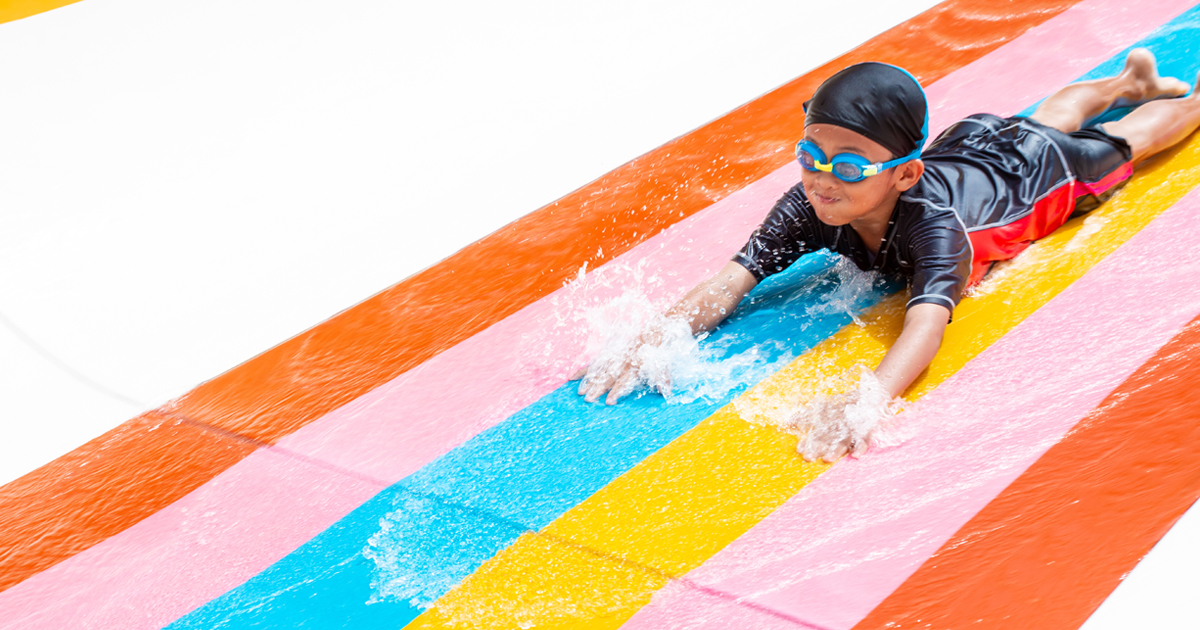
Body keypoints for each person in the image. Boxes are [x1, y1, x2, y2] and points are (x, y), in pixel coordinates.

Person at [575, 49, 1199, 454]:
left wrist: (869, 396)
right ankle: (1126, 79)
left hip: (1029, 177)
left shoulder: (936, 229)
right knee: (1032, 116)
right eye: (810, 155)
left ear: (903, 175)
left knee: (1116, 140)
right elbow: (728, 282)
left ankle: (1179, 99)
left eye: (846, 165)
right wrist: (657, 333)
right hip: (968, 146)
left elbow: (925, 328)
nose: (821, 178)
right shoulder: (810, 203)